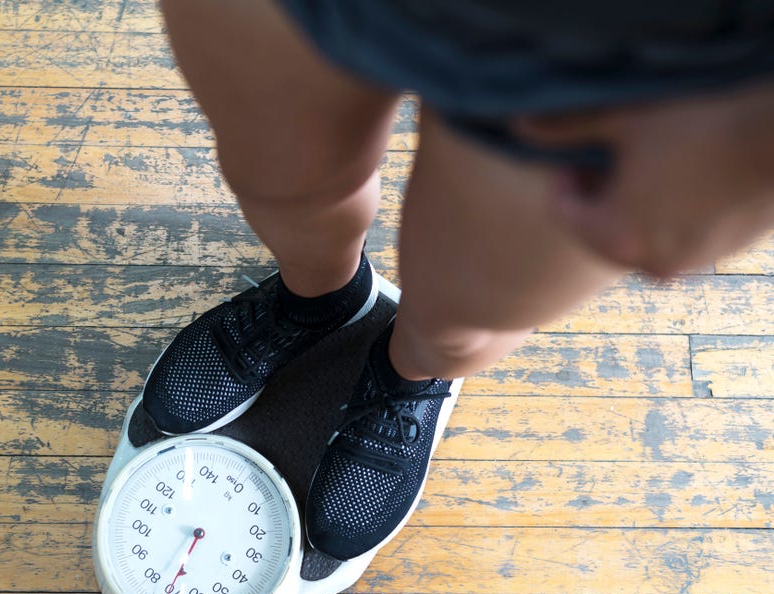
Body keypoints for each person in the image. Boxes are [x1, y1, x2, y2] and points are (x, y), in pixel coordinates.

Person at [141, 0, 774, 561]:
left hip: (620, 42)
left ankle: (409, 376)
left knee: (468, 310)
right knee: (281, 185)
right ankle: (315, 302)